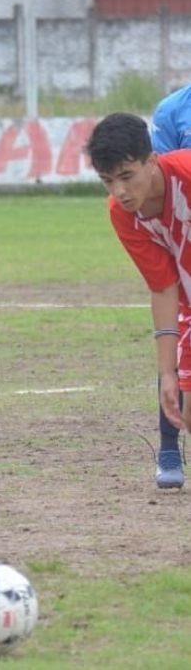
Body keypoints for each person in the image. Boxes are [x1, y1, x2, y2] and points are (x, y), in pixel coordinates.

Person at [86, 112, 188, 489]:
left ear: (152, 161)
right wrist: (167, 373)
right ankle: (169, 448)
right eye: (107, 181)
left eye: (127, 176)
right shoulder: (123, 215)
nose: (120, 191)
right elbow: (163, 287)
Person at [144, 86, 191, 488]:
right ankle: (169, 447)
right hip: (182, 238)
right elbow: (155, 180)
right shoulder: (173, 110)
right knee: (176, 339)